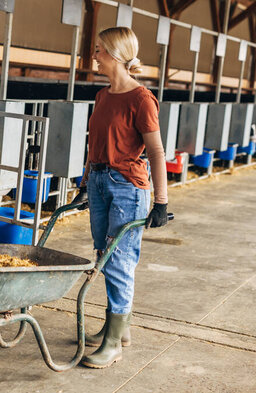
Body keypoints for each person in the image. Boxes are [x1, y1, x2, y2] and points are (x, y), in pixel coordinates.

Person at [71, 27, 169, 369]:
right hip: (99, 181)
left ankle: (114, 343)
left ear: (114, 54)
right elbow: (93, 144)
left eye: (98, 50)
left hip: (128, 186)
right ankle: (118, 328)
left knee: (119, 260)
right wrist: (85, 182)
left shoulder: (141, 99)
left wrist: (161, 202)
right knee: (104, 254)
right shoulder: (102, 96)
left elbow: (156, 151)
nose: (94, 55)